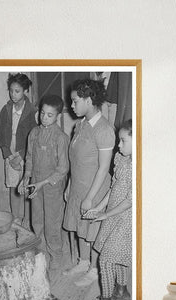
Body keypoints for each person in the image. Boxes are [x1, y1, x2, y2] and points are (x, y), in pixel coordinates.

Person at [63, 78, 115, 283]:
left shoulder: (104, 130)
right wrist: (69, 185)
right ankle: (83, 262)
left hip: (95, 189)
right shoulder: (80, 125)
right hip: (78, 185)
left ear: (88, 100)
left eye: (75, 101)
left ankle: (94, 269)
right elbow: (74, 159)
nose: (72, 105)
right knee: (79, 227)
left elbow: (103, 168)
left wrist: (90, 198)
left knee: (92, 231)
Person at [81, 119, 133, 300]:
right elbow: (113, 189)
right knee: (116, 255)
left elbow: (130, 200)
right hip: (113, 213)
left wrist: (106, 214)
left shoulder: (139, 167)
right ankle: (121, 290)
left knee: (107, 259)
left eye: (123, 141)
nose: (118, 146)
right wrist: (98, 208)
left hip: (126, 219)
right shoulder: (121, 159)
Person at [18, 95, 69, 270]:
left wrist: (44, 182)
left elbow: (63, 169)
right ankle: (39, 251)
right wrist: (26, 178)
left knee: (52, 223)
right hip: (35, 184)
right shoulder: (34, 133)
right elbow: (29, 158)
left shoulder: (60, 138)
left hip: (52, 187)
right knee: (37, 219)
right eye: (42, 113)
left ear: (58, 116)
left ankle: (56, 255)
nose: (44, 117)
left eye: (50, 115)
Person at [0, 73, 37, 220]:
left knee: (26, 187)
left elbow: (33, 138)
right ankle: (15, 218)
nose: (13, 94)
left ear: (26, 91)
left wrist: (20, 156)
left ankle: (27, 221)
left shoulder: (32, 112)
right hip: (10, 154)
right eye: (11, 90)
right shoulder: (6, 110)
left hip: (26, 155)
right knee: (14, 188)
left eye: (17, 91)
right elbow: (1, 134)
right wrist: (8, 155)